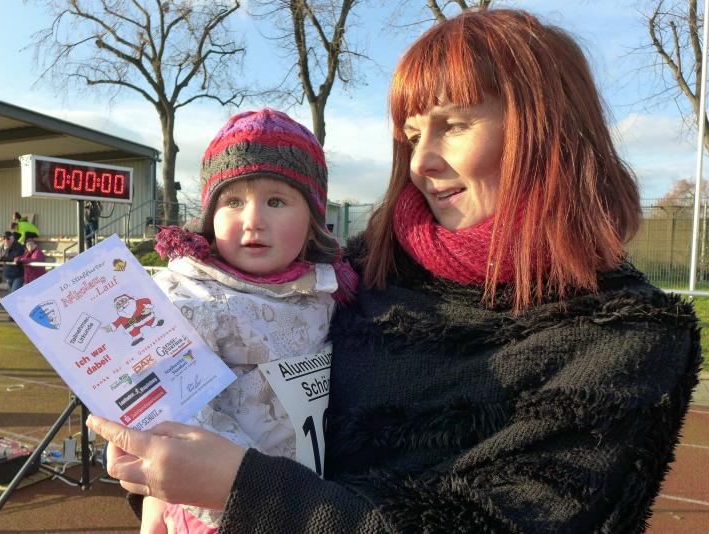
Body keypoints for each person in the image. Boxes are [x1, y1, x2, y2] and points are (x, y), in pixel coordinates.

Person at [87, 9, 702, 533]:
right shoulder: (362, 273)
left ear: (547, 130)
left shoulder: (626, 330)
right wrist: (157, 460)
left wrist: (245, 490)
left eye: (454, 125)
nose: (421, 162)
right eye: (411, 135)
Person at [135, 108, 355, 533]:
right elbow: (179, 412)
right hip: (216, 506)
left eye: (276, 201)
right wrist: (240, 493)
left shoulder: (328, 292)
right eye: (233, 201)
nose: (253, 220)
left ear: (313, 223)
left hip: (307, 504)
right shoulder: (190, 297)